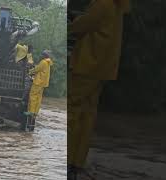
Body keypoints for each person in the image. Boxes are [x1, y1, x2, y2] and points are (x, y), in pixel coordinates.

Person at [68, 0, 130, 179]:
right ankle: (76, 163)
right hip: (102, 67)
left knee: (73, 110)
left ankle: (67, 159)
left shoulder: (103, 3)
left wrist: (70, 26)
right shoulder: (117, 4)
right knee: (87, 113)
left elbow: (84, 25)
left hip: (88, 64)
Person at [24, 50, 53, 119]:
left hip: (38, 82)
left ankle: (31, 112)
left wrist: (29, 72)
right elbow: (40, 68)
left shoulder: (43, 62)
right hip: (43, 83)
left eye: (42, 54)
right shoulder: (48, 62)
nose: (41, 55)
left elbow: (36, 69)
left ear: (44, 55)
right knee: (38, 98)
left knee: (32, 96)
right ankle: (35, 112)